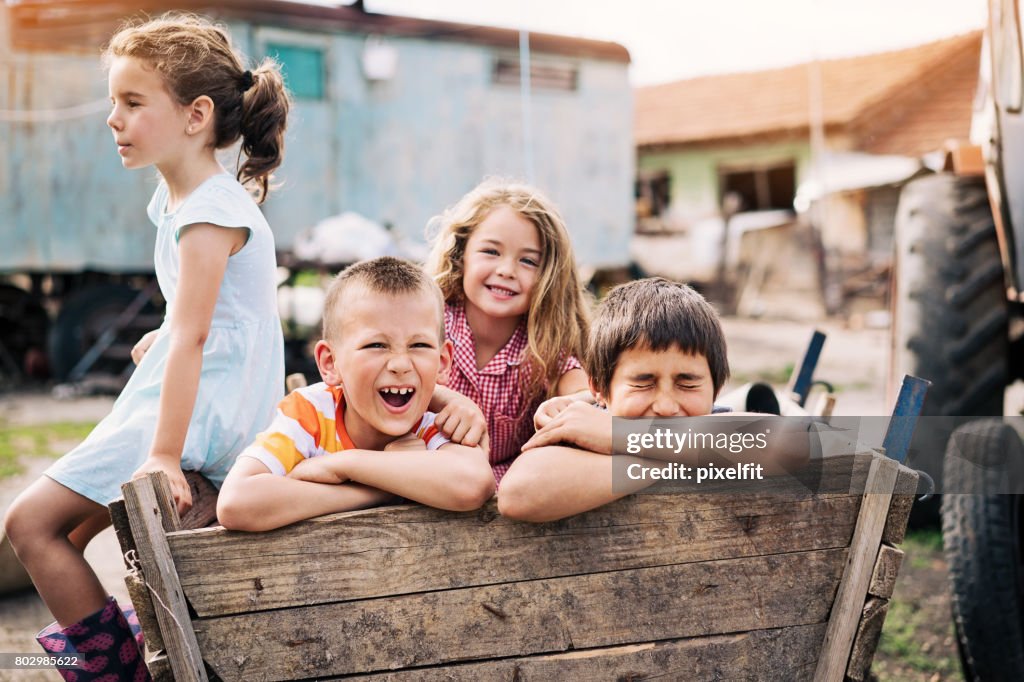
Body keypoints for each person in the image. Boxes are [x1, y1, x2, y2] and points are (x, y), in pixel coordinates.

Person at [4, 13, 290, 679]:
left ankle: (116, 672)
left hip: (201, 421)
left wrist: (164, 452)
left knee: (27, 526)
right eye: (113, 101)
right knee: (70, 533)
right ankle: (124, 645)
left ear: (194, 116)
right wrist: (164, 337)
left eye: (132, 102)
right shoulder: (191, 202)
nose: (113, 118)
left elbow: (197, 333)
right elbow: (215, 318)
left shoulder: (207, 210)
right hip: (208, 399)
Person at [216, 257, 496, 532]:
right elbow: (235, 503)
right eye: (376, 344)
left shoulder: (431, 422)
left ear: (443, 362)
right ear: (330, 363)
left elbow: (474, 484)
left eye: (419, 344)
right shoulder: (310, 415)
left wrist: (344, 466)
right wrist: (375, 490)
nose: (400, 364)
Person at [498, 277, 810, 522]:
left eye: (686, 384)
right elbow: (517, 495)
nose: (665, 406)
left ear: (716, 390)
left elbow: (794, 444)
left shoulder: (712, 423)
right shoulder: (583, 430)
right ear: (599, 389)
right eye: (643, 383)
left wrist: (623, 436)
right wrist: (666, 458)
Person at [424, 179, 593, 485]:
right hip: (423, 475)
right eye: (491, 251)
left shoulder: (543, 346)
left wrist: (572, 403)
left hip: (505, 489)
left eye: (528, 261)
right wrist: (447, 400)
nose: (506, 270)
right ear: (461, 256)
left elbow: (583, 392)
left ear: (548, 277)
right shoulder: (429, 322)